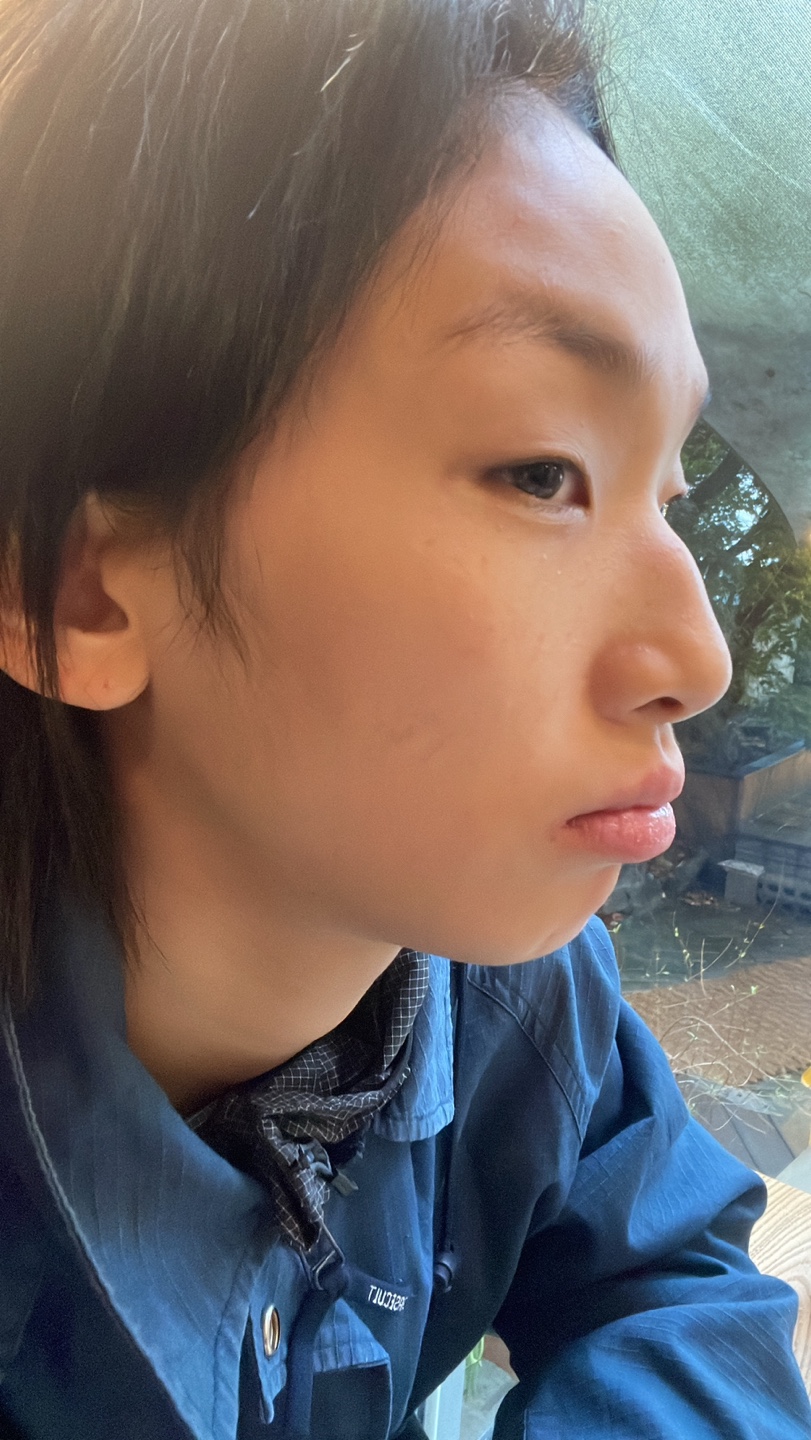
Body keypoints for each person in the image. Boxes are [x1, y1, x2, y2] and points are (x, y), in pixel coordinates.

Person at [0, 1, 808, 1436]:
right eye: (542, 473)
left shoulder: (508, 993)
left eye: (668, 493)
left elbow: (670, 1270)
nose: (699, 661)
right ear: (77, 592)